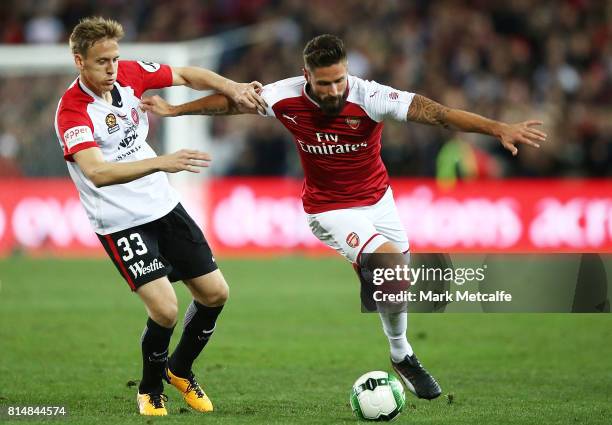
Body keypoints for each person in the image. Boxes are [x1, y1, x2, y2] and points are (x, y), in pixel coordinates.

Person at [141, 34, 547, 400]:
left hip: (379, 201)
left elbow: (437, 114)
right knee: (387, 263)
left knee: (396, 279)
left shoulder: (369, 96)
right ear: (307, 76)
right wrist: (177, 111)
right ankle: (373, 273)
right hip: (329, 208)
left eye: (340, 80)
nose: (334, 90)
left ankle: (401, 353)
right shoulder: (284, 96)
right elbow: (234, 103)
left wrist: (497, 129)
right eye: (324, 83)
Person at [54, 17, 266, 416]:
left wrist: (232, 86)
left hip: (163, 206)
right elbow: (97, 173)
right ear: (79, 61)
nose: (112, 69)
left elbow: (185, 74)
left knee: (216, 293)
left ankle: (180, 369)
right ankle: (150, 389)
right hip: (120, 221)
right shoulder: (72, 112)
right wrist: (162, 162)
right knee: (166, 309)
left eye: (115, 59)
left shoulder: (129, 75)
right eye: (102, 62)